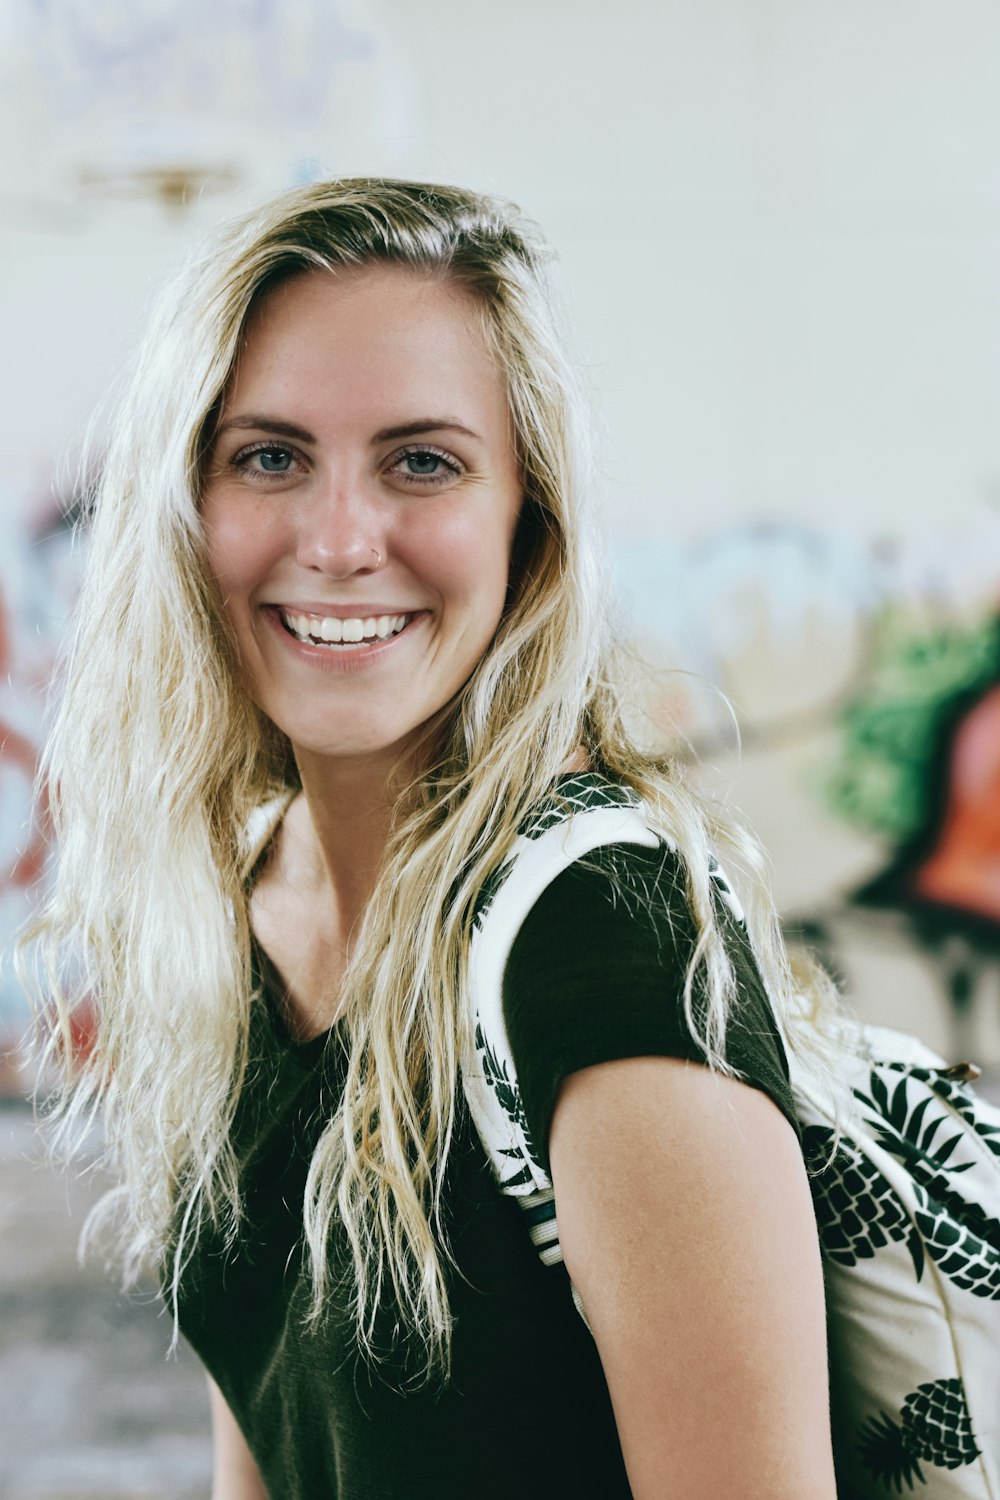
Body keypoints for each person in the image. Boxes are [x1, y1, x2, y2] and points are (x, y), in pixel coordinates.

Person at [28, 179, 840, 1499]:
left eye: (424, 462)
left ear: (527, 524)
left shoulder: (605, 953)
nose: (341, 541)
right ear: (186, 501)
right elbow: (275, 1449)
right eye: (269, 456)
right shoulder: (236, 893)